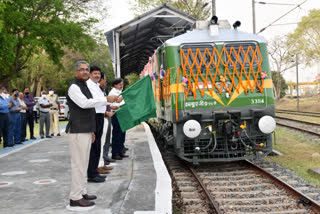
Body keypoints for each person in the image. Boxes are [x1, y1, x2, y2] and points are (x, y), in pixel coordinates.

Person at [66, 60, 117, 208]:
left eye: (86, 69)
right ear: (76, 72)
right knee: (78, 165)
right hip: (77, 130)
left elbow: (90, 110)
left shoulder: (83, 86)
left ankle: (82, 192)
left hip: (85, 130)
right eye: (82, 69)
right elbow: (85, 104)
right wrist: (105, 99)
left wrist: (92, 129)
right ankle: (75, 197)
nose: (85, 72)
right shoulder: (74, 87)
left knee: (83, 164)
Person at [86, 67, 113, 182]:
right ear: (90, 74)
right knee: (94, 146)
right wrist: (108, 99)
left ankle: (95, 171)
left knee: (97, 146)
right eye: (95, 73)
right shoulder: (89, 85)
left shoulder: (96, 86)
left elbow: (102, 100)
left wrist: (111, 100)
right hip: (94, 116)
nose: (97, 75)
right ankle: (91, 174)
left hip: (100, 116)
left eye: (98, 74)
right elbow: (95, 101)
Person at [109, 78, 128, 160]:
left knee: (122, 134)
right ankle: (115, 153)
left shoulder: (120, 92)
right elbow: (115, 102)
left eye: (122, 84)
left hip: (122, 114)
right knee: (117, 134)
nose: (121, 86)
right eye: (120, 84)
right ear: (115, 85)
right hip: (116, 114)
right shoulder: (112, 92)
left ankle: (120, 151)